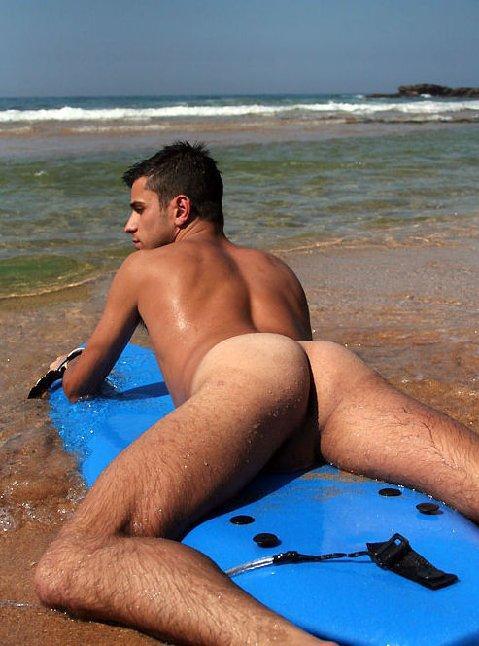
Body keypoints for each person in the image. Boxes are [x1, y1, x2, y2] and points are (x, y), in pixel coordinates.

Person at [35, 142, 479, 645]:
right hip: (329, 369)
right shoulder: (275, 266)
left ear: (179, 209)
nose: (128, 226)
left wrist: (66, 368)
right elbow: (294, 374)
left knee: (75, 559)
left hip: (250, 377)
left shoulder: (141, 268)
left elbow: (81, 385)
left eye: (138, 209)